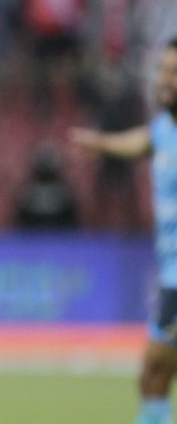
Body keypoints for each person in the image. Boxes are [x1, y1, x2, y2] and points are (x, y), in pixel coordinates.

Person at [70, 38, 177, 424]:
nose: (164, 79)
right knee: (153, 376)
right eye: (162, 70)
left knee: (154, 370)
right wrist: (103, 144)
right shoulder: (165, 128)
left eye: (174, 73)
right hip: (170, 276)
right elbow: (144, 141)